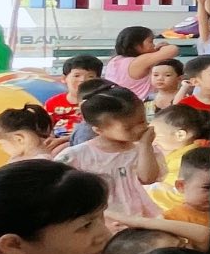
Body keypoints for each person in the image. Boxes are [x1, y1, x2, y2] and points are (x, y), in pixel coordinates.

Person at [67, 87, 162, 222]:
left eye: (142, 121)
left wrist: (145, 146)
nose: (139, 129)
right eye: (128, 128)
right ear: (99, 130)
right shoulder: (78, 156)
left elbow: (147, 178)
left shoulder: (142, 149)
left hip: (141, 218)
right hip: (101, 219)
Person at [103, 25, 182, 102]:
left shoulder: (115, 60)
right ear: (137, 45)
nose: (153, 45)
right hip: (138, 104)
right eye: (150, 42)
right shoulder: (137, 61)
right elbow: (173, 50)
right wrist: (163, 47)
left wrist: (155, 51)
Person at [45, 53, 105, 140]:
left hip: (85, 141)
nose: (83, 80)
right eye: (77, 75)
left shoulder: (99, 103)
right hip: (56, 139)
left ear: (98, 81)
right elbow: (46, 128)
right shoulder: (53, 103)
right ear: (64, 78)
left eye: (90, 76)